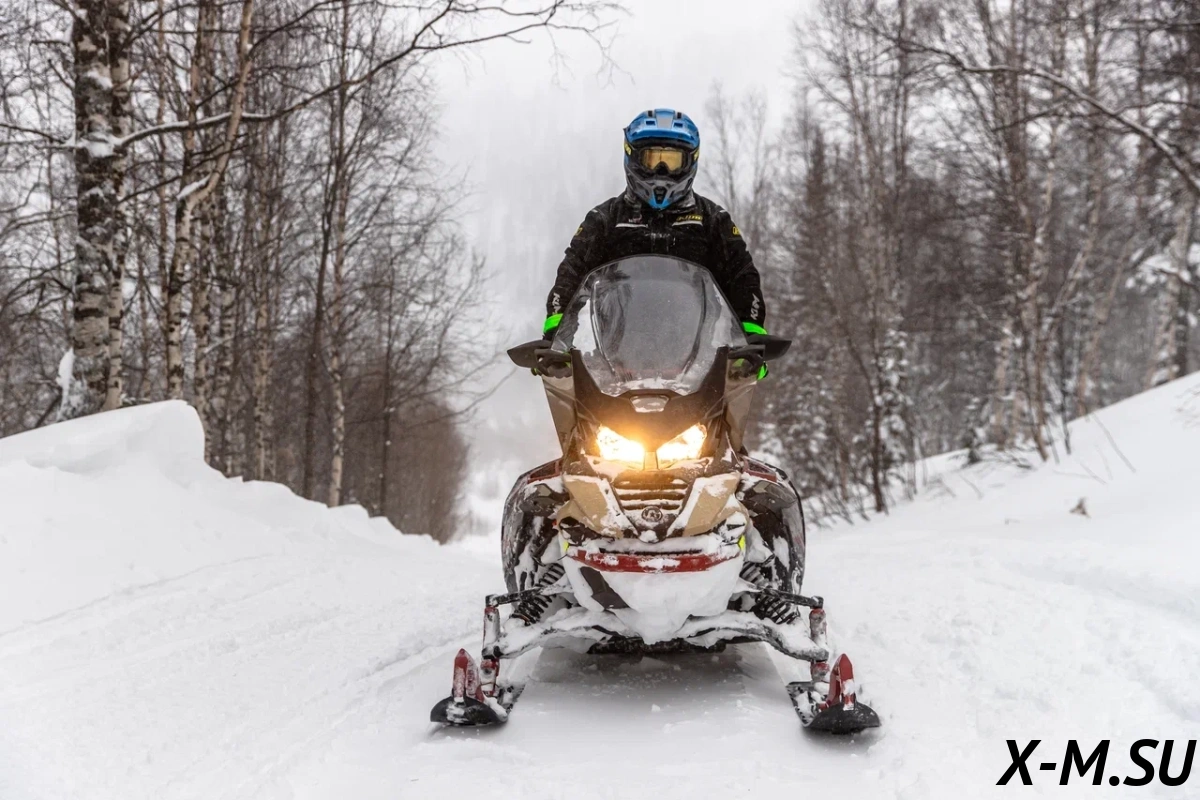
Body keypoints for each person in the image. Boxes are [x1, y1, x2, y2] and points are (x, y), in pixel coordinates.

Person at [542, 108, 768, 347]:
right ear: (632, 158)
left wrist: (751, 338)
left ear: (690, 161)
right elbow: (571, 274)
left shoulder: (712, 221)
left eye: (672, 161)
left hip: (698, 358)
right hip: (614, 357)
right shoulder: (605, 220)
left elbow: (742, 276)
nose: (661, 171)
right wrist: (555, 338)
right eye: (651, 159)